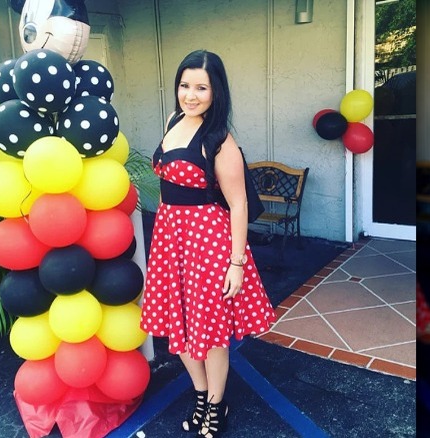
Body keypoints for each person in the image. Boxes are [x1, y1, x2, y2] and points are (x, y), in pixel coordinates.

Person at [139, 49, 277, 438]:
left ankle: (217, 403)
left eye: (201, 87)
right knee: (175, 320)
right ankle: (200, 393)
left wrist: (236, 263)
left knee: (210, 328)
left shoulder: (220, 140)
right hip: (171, 239)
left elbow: (238, 204)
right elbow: (167, 185)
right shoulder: (173, 121)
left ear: (217, 92)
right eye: (185, 85)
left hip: (208, 243)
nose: (191, 95)